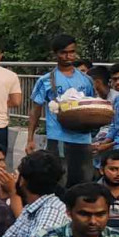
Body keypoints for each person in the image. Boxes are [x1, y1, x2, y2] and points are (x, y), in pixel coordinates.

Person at [28, 33, 98, 187]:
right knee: (59, 181)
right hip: (58, 137)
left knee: (84, 182)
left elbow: (92, 106)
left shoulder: (86, 80)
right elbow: (35, 110)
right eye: (64, 52)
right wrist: (30, 139)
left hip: (82, 138)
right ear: (56, 54)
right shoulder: (46, 80)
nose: (68, 56)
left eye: (72, 52)